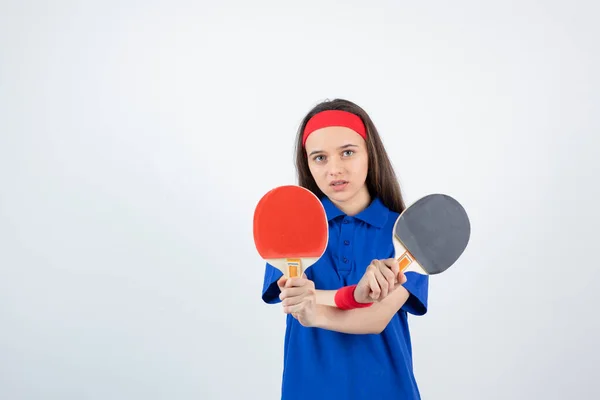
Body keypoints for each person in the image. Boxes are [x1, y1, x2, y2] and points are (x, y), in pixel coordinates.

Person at [261, 98, 429, 400]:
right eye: (320, 158)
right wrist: (352, 295)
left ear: (370, 155)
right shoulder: (290, 226)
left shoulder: (409, 233)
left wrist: (315, 312)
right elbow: (293, 301)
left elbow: (376, 319)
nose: (334, 169)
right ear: (307, 164)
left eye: (348, 153)